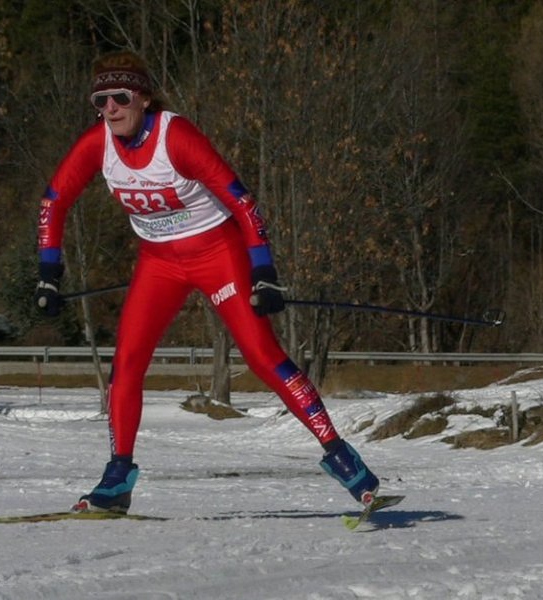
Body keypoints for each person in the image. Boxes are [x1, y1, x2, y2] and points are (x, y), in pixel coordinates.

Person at [33, 50, 380, 514]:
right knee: (127, 362)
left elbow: (241, 201)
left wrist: (264, 272)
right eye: (101, 100)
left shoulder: (176, 137)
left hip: (218, 254)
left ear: (144, 98)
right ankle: (117, 477)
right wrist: (48, 274)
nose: (111, 108)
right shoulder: (98, 144)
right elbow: (53, 201)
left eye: (121, 97)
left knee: (262, 356)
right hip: (159, 262)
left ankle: (342, 458)